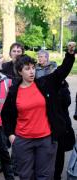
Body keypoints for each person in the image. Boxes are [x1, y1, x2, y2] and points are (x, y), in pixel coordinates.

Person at [1, 42, 76, 180]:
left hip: (45, 140)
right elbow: (6, 114)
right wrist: (11, 135)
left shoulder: (45, 83)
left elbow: (62, 71)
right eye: (27, 69)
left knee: (44, 176)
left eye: (33, 68)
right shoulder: (14, 91)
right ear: (19, 72)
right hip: (23, 141)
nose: (31, 71)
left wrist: (70, 54)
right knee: (26, 176)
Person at [36, 49, 75, 180]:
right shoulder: (35, 75)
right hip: (42, 122)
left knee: (58, 152)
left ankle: (57, 175)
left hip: (58, 122)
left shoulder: (60, 82)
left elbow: (67, 102)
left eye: (42, 56)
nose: (40, 58)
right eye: (38, 56)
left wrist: (58, 91)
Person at [0, 42, 24, 175]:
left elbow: (18, 81)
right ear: (10, 53)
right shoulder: (5, 66)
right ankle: (2, 163)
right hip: (6, 105)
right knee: (3, 138)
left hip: (21, 105)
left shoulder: (24, 66)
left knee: (19, 137)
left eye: (18, 50)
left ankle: (16, 165)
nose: (16, 53)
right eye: (14, 51)